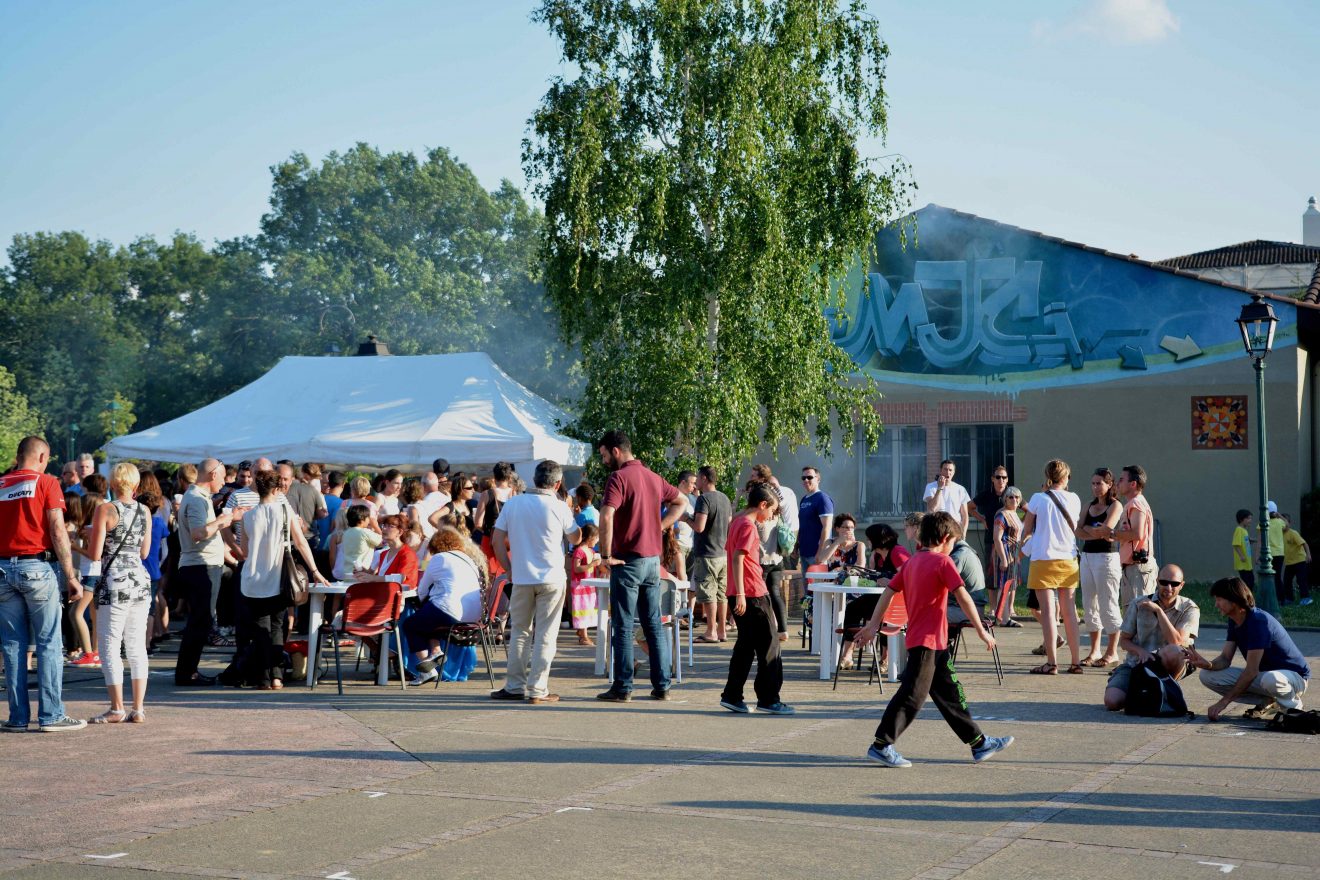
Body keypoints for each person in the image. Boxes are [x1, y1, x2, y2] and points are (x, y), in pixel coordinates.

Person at [854, 512, 1013, 767]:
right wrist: (981, 630)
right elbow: (963, 597)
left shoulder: (912, 562)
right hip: (925, 643)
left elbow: (888, 592)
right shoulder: (942, 562)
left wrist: (873, 625)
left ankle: (979, 743)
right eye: (954, 542)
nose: (953, 547)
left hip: (935, 644)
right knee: (912, 695)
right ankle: (881, 745)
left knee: (951, 693)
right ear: (946, 537)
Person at [0, 437, 85, 732]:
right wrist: (70, 576)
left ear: (18, 455)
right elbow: (57, 530)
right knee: (49, 641)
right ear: (42, 457)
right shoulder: (47, 483)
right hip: (37, 567)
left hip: (2, 568)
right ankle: (51, 715)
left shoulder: (1, 484)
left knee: (12, 644)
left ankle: (17, 717)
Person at [596, 430, 683, 702]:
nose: (604, 461)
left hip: (627, 560)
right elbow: (681, 501)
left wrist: (605, 555)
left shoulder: (618, 478)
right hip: (652, 561)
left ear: (616, 451)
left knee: (622, 625)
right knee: (653, 624)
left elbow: (606, 515)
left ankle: (623, 687)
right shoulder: (653, 477)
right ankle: (662, 686)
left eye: (604, 455)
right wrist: (659, 526)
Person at [490, 459, 580, 704]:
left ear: (534, 479)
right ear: (557, 483)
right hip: (552, 577)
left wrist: (508, 568)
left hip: (521, 576)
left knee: (520, 631)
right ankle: (538, 689)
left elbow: (497, 540)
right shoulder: (559, 506)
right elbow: (575, 537)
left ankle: (514, 685)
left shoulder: (513, 503)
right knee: (546, 634)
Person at [239, 469, 326, 689]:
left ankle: (263, 678)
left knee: (260, 630)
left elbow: (245, 552)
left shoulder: (247, 516)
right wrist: (315, 570)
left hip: (253, 579)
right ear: (277, 489)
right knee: (277, 626)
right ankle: (277, 676)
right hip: (279, 578)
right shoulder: (285, 511)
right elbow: (301, 542)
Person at [1188, 577, 1311, 720]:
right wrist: (1208, 664)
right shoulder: (1234, 620)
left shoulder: (1258, 622)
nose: (1216, 605)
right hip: (1265, 676)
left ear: (1234, 600)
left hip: (1295, 679)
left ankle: (1293, 708)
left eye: (1219, 599)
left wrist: (1223, 702)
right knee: (1207, 675)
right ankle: (1268, 701)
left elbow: (1251, 671)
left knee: (1270, 679)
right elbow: (1225, 658)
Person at [85, 463, 153, 723]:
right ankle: (139, 708)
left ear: (112, 484)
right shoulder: (145, 511)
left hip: (114, 582)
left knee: (110, 645)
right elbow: (144, 553)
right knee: (136, 646)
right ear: (135, 484)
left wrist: (88, 537)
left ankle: (116, 708)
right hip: (139, 581)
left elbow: (95, 554)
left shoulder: (105, 510)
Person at [719, 483, 792, 715]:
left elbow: (733, 554)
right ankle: (769, 699)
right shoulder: (748, 526)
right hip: (752, 593)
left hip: (740, 592)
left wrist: (737, 592)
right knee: (770, 645)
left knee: (745, 646)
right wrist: (741, 593)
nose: (771, 516)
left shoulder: (737, 522)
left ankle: (732, 695)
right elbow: (738, 558)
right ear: (762, 505)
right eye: (771, 510)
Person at [173, 459, 238, 686]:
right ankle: (187, 672)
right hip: (201, 566)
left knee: (200, 620)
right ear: (212, 475)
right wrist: (221, 521)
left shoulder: (198, 497)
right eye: (223, 476)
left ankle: (187, 671)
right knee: (200, 621)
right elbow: (198, 533)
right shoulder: (196, 499)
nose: (224, 482)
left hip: (200, 565)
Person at [1102, 564, 1199, 711]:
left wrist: (1159, 611)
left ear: (1182, 585)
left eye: (1174, 584)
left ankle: (1166, 690)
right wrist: (1140, 651)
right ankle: (1142, 691)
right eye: (1164, 582)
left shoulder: (1189, 608)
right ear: (1157, 581)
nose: (1169, 587)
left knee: (1174, 650)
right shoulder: (1138, 603)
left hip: (1169, 662)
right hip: (1137, 663)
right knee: (1112, 702)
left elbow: (1177, 641)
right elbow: (1124, 641)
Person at [1021, 459, 1083, 675]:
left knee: (1048, 612)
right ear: (1066, 477)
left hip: (1043, 557)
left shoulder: (1038, 498)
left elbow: (1027, 529)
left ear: (1047, 477)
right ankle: (1076, 662)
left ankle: (1052, 663)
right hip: (1068, 559)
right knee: (1070, 612)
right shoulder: (1075, 498)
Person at [406, 527, 487, 685]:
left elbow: (422, 591)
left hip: (450, 611)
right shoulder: (468, 559)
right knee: (429, 618)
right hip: (473, 615)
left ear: (435, 545)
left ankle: (427, 672)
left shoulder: (439, 558)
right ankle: (436, 651)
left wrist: (423, 603)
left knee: (411, 624)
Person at [1074, 468, 1123, 667]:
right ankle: (1094, 651)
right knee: (1089, 605)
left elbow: (1106, 530)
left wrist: (1090, 529)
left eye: (1099, 483)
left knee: (1108, 604)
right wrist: (1092, 530)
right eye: (1093, 483)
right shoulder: (1088, 505)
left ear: (1109, 484)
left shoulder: (1115, 505)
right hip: (1087, 557)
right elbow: (1077, 530)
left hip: (1106, 558)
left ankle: (1112, 652)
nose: (1095, 487)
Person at [691, 466, 733, 644]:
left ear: (704, 478)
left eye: (698, 477)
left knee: (709, 593)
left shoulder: (704, 499)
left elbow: (699, 527)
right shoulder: (724, 498)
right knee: (721, 594)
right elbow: (730, 524)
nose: (696, 482)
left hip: (707, 553)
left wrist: (685, 518)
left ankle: (711, 631)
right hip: (723, 553)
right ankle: (722, 630)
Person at [1114, 465, 1157, 606]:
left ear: (1133, 484)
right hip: (1133, 568)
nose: (1117, 483)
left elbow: (1137, 534)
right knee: (1131, 613)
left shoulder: (1136, 503)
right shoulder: (1133, 503)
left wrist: (1111, 533)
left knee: (1140, 612)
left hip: (1138, 568)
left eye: (1121, 480)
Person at [989, 486, 1023, 626]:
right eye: (1011, 497)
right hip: (1005, 552)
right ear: (1005, 499)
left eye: (1017, 497)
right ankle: (1003, 618)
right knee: (1004, 585)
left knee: (1010, 586)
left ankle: (1004, 616)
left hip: (1014, 553)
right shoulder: (1001, 515)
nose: (1014, 499)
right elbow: (997, 538)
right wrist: (1003, 559)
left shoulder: (1014, 514)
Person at [569, 523, 601, 646]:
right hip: (579, 586)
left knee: (588, 608)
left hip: (589, 586)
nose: (597, 541)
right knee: (582, 608)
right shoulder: (579, 551)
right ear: (590, 537)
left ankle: (582, 631)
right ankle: (584, 636)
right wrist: (591, 565)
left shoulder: (591, 551)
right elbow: (576, 568)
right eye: (596, 538)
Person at [968, 464, 1009, 560]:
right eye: (998, 477)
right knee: (991, 568)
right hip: (991, 540)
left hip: (1008, 540)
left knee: (1009, 568)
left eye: (1004, 477)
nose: (1001, 480)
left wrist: (1020, 524)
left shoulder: (1012, 494)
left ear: (1007, 479)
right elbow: (969, 507)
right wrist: (982, 519)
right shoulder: (986, 494)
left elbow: (1028, 510)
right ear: (992, 479)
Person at [798, 466, 834, 572]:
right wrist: (797, 546)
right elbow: (803, 525)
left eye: (809, 477)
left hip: (817, 554)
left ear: (818, 479)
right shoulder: (804, 499)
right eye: (803, 478)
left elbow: (827, 527)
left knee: (818, 583)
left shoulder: (822, 499)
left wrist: (821, 552)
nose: (806, 480)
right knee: (806, 583)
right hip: (804, 553)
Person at [285, 462, 328, 548]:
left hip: (293, 534)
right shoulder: (315, 487)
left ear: (305, 473)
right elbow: (324, 513)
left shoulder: (291, 486)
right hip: (310, 533)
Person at [924, 459, 970, 537]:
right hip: (937, 529)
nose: (948, 472)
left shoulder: (960, 489)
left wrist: (964, 533)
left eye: (950, 470)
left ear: (953, 472)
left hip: (955, 531)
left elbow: (965, 515)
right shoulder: (930, 487)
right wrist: (940, 488)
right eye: (945, 469)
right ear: (940, 471)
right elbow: (931, 508)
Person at [1281, 514, 1312, 606]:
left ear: (1289, 523)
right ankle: (1289, 599)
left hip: (1300, 561)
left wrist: (1308, 554)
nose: (1283, 525)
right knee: (1287, 581)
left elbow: (1304, 543)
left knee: (1301, 580)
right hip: (1289, 562)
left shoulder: (1293, 533)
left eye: (1285, 522)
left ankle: (1306, 598)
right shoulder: (1280, 534)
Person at [412, 472, 451, 541]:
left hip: (432, 539)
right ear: (437, 483)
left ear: (423, 485)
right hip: (449, 536)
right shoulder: (448, 499)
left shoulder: (423, 503)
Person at [1266, 501, 1286, 604]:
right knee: (1278, 577)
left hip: (1268, 554)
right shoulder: (1279, 522)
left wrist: (1257, 555)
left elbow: (1260, 540)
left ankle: (1271, 598)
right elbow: (1287, 525)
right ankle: (1281, 599)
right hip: (1279, 553)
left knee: (1269, 577)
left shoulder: (1264, 523)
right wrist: (1280, 516)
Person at [1232, 508, 1255, 590]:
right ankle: (1245, 597)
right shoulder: (1239, 530)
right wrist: (1241, 556)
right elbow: (1236, 544)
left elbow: (1243, 541)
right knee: (1248, 582)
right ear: (1242, 519)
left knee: (1250, 581)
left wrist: (1250, 541)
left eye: (1251, 518)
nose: (1250, 520)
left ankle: (1247, 596)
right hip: (1243, 563)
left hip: (1247, 562)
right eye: (1248, 518)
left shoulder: (1244, 530)